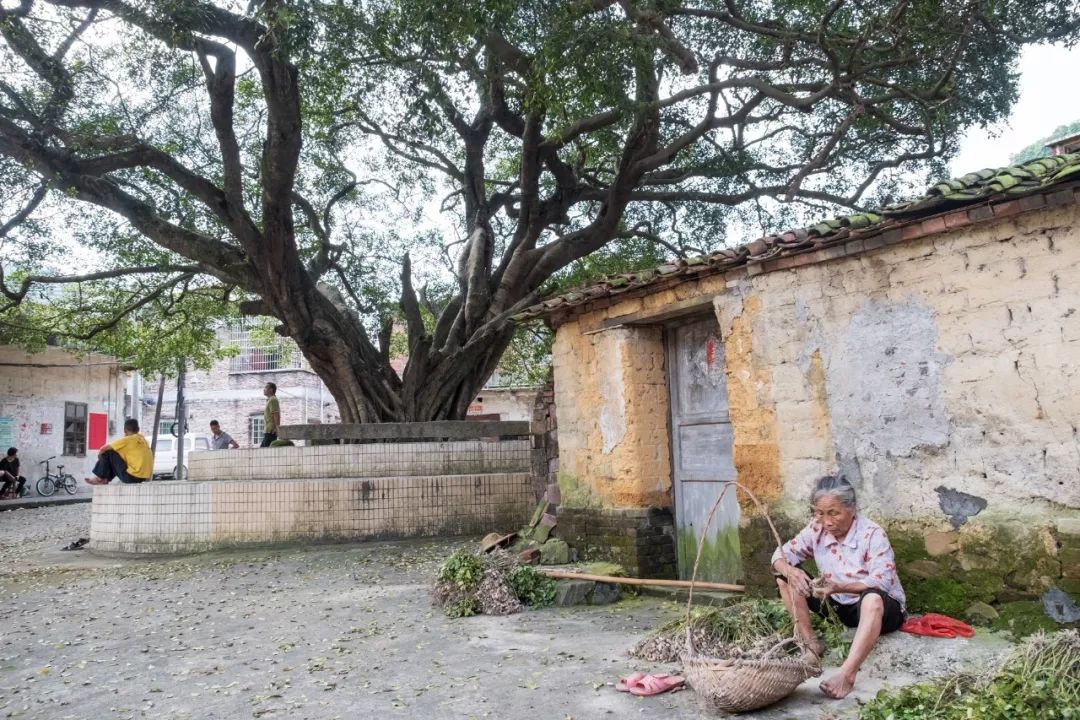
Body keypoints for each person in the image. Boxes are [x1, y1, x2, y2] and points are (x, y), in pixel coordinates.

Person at [771, 475, 906, 700]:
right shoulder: (816, 530)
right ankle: (811, 646)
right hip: (837, 605)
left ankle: (847, 674)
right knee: (784, 578)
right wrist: (790, 570)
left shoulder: (872, 534)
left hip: (879, 610)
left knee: (872, 597)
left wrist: (839, 587)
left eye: (834, 513)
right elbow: (779, 556)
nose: (827, 522)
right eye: (820, 513)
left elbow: (881, 581)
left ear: (852, 509)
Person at [85, 418, 153, 485]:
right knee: (113, 456)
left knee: (108, 453)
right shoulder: (143, 440)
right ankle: (104, 479)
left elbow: (103, 449)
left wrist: (101, 458)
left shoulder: (128, 439)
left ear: (125, 430)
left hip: (131, 478)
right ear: (138, 429)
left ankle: (100, 478)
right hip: (144, 478)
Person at [261, 382, 281, 448]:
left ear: (271, 390)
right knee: (261, 452)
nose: (264, 389)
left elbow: (276, 414)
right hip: (268, 431)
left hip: (271, 431)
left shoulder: (273, 399)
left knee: (264, 452)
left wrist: (276, 428)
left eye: (266, 388)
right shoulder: (270, 400)